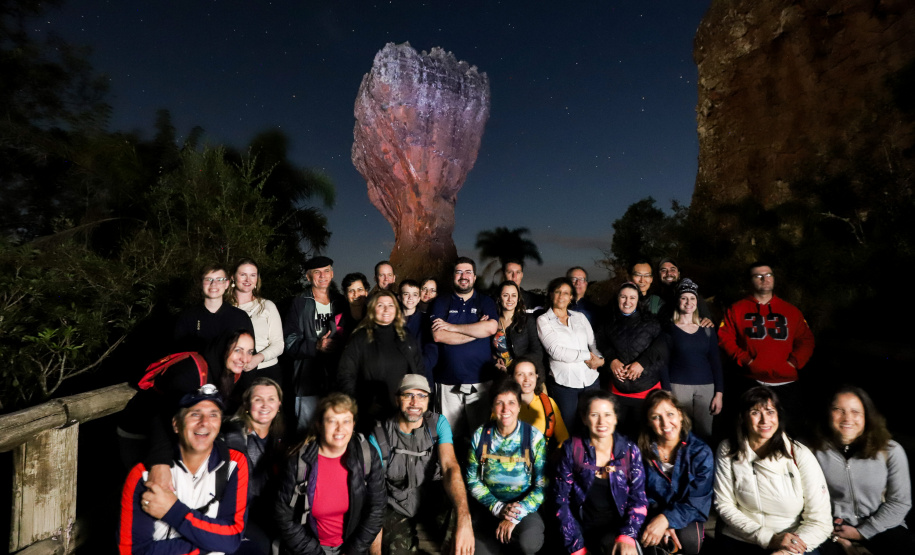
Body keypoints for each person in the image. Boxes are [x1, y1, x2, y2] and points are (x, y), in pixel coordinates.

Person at [118, 386, 249, 555]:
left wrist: (173, 510)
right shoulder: (144, 474)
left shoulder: (234, 463)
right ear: (176, 425)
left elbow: (232, 539)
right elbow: (132, 551)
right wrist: (209, 544)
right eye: (195, 414)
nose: (204, 422)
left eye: (213, 415)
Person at [713, 386, 832, 555]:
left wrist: (786, 551)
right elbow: (724, 504)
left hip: (793, 541)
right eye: (755, 412)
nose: (764, 420)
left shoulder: (799, 455)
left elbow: (820, 521)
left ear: (778, 416)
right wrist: (768, 538)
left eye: (770, 412)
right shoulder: (728, 449)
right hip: (743, 537)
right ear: (743, 417)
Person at [118, 329, 257, 472]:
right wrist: (161, 462)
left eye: (249, 352)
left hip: (177, 435)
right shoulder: (191, 372)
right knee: (149, 489)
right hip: (140, 434)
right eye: (238, 350)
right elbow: (161, 417)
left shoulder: (228, 374)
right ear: (223, 348)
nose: (245, 359)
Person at [368, 374, 474, 555]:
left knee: (461, 544)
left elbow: (450, 467)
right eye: (408, 395)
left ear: (428, 400)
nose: (414, 402)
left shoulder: (437, 424)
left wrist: (465, 519)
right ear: (397, 398)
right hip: (397, 504)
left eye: (421, 395)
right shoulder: (379, 435)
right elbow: (373, 493)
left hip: (432, 499)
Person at [275, 393, 386, 555]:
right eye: (332, 421)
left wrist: (352, 551)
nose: (340, 429)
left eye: (346, 421)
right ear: (319, 425)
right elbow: (284, 516)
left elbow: (377, 509)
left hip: (353, 547)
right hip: (309, 549)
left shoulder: (367, 455)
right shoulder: (299, 462)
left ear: (354, 424)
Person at [813, 386, 915, 555]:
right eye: (839, 410)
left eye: (855, 412)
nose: (847, 418)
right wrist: (838, 536)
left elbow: (900, 501)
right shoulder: (812, 450)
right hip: (832, 528)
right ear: (828, 413)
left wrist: (862, 532)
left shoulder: (890, 451)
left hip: (881, 525)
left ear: (867, 416)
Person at [718, 261, 815, 427]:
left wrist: (794, 363)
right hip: (750, 381)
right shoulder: (736, 309)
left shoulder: (791, 311)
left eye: (769, 275)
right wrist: (746, 360)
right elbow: (724, 338)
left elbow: (806, 340)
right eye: (759, 276)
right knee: (750, 428)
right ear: (750, 281)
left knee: (789, 431)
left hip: (786, 384)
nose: (765, 279)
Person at [554, 390, 648, 555]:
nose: (601, 421)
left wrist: (627, 535)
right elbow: (561, 500)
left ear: (615, 418)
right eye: (594, 415)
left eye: (607, 414)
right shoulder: (572, 449)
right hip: (579, 529)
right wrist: (575, 545)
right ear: (584, 419)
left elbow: (638, 499)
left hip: (618, 529)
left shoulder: (629, 450)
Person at [466, 379, 547, 555]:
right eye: (499, 403)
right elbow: (472, 480)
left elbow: (541, 485)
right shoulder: (481, 436)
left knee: (529, 541)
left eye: (511, 403)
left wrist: (514, 515)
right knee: (477, 551)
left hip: (524, 508)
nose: (505, 409)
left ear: (519, 406)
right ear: (492, 407)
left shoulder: (533, 438)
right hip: (489, 508)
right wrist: (498, 508)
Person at [428, 257, 499, 441]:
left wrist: (452, 327)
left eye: (468, 272)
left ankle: (477, 471)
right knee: (447, 437)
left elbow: (491, 328)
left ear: (474, 277)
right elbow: (439, 336)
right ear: (453, 277)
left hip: (481, 382)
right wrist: (477, 330)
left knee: (480, 437)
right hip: (447, 381)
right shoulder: (441, 302)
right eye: (459, 272)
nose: (463, 276)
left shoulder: (486, 301)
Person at [637, 390, 713, 555]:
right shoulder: (640, 451)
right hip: (650, 512)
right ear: (649, 422)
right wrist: (657, 519)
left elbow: (699, 502)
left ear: (680, 414)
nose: (665, 424)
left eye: (670, 414)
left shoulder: (700, 452)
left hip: (687, 511)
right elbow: (638, 494)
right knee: (649, 540)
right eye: (656, 417)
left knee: (689, 539)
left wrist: (667, 519)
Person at [337, 290, 424, 427]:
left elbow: (418, 369)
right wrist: (361, 404)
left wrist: (417, 400)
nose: (386, 309)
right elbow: (345, 375)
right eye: (380, 305)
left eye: (390, 305)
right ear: (372, 309)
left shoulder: (406, 336)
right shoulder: (360, 337)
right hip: (371, 414)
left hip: (402, 412)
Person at [596, 282, 667, 439]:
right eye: (623, 297)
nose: (627, 301)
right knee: (616, 438)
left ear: (638, 300)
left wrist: (642, 364)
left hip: (645, 391)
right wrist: (611, 360)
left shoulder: (651, 322)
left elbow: (663, 350)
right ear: (617, 299)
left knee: (642, 439)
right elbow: (601, 343)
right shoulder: (607, 323)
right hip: (617, 391)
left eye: (632, 297)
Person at [223, 377, 285, 555]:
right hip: (241, 512)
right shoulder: (233, 435)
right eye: (258, 399)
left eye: (271, 399)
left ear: (279, 404)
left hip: (267, 509)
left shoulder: (279, 434)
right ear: (247, 404)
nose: (265, 405)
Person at [284, 256, 346, 432]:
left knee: (335, 431)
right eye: (316, 272)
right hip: (307, 381)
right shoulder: (299, 303)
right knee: (306, 432)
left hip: (336, 380)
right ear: (308, 277)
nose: (322, 276)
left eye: (326, 271)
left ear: (332, 274)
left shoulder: (341, 302)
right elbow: (289, 342)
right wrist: (315, 346)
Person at [537, 277, 604, 428]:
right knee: (568, 429)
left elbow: (593, 343)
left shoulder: (579, 317)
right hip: (564, 385)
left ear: (571, 297)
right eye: (558, 292)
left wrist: (599, 359)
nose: (561, 296)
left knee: (593, 426)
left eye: (566, 293)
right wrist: (587, 355)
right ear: (550, 294)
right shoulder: (543, 320)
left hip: (591, 380)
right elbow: (556, 351)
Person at [664, 278, 723, 439]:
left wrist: (719, 393)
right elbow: (664, 362)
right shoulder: (669, 330)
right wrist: (667, 390)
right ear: (678, 301)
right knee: (680, 432)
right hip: (678, 386)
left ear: (697, 302)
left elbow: (715, 362)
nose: (688, 302)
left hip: (706, 387)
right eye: (684, 298)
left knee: (705, 432)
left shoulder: (707, 329)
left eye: (692, 298)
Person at [174, 262, 254, 354]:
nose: (213, 284)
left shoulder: (240, 317)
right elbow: (177, 354)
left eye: (219, 279)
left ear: (227, 284)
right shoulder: (187, 317)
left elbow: (249, 354)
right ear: (201, 283)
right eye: (208, 279)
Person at [231, 258, 285, 384]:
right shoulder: (225, 308)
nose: (248, 280)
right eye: (243, 275)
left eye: (252, 275)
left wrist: (257, 359)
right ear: (233, 277)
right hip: (234, 374)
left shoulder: (267, 306)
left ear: (257, 279)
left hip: (266, 372)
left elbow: (278, 344)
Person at [511, 358, 569, 449]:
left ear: (536, 376)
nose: (527, 379)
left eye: (531, 374)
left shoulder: (548, 403)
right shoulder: (504, 404)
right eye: (520, 374)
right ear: (512, 377)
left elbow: (563, 439)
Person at [493, 280, 544, 376]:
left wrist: (516, 365)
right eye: (505, 295)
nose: (509, 299)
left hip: (523, 374)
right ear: (499, 298)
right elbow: (488, 349)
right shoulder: (493, 321)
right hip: (501, 375)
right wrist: (494, 360)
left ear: (518, 298)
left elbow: (537, 353)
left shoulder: (527, 320)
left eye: (513, 295)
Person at [398, 279, 438, 387]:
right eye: (406, 294)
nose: (410, 298)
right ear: (399, 297)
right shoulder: (392, 322)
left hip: (422, 381)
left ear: (419, 298)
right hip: (397, 380)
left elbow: (432, 355)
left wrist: (412, 368)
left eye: (415, 294)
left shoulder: (427, 322)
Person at [656, 258, 714, 327]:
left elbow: (707, 320)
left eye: (673, 269)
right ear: (658, 275)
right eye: (663, 270)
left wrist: (707, 321)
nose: (669, 273)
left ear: (679, 273)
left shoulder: (693, 296)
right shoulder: (654, 299)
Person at [340, 272, 370, 341]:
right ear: (345, 295)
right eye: (351, 291)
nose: (356, 294)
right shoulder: (337, 322)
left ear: (366, 292)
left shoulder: (376, 317)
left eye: (360, 290)